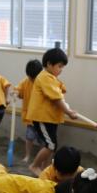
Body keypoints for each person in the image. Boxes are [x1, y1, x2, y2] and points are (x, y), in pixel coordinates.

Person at [26, 47, 79, 176]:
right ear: (49, 64)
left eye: (62, 67)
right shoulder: (45, 77)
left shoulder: (51, 78)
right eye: (59, 66)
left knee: (52, 145)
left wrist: (68, 109)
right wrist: (68, 112)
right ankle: (35, 166)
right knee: (51, 146)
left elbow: (60, 97)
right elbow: (56, 99)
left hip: (50, 118)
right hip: (42, 118)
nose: (61, 70)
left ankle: (45, 169)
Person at [16, 59, 43, 164]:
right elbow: (18, 89)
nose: (31, 79)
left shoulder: (43, 83)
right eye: (30, 77)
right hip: (30, 117)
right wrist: (16, 93)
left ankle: (41, 158)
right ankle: (27, 155)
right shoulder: (26, 82)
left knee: (43, 141)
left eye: (34, 77)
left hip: (42, 118)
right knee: (29, 137)